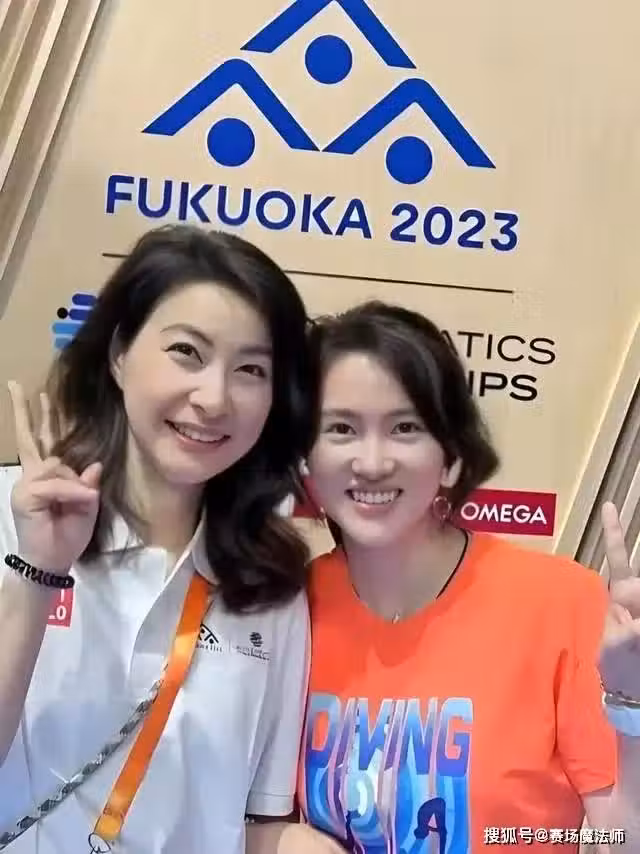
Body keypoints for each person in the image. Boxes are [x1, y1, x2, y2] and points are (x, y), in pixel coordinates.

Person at [0, 224, 328, 854]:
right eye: (187, 352)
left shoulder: (270, 584)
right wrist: (37, 574)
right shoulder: (12, 515)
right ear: (119, 353)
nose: (214, 397)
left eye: (251, 369)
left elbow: (257, 822)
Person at [295, 301, 640, 852]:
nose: (372, 462)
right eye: (341, 429)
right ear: (304, 457)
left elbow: (619, 839)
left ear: (451, 458)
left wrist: (632, 705)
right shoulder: (286, 612)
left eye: (405, 428)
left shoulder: (559, 602)